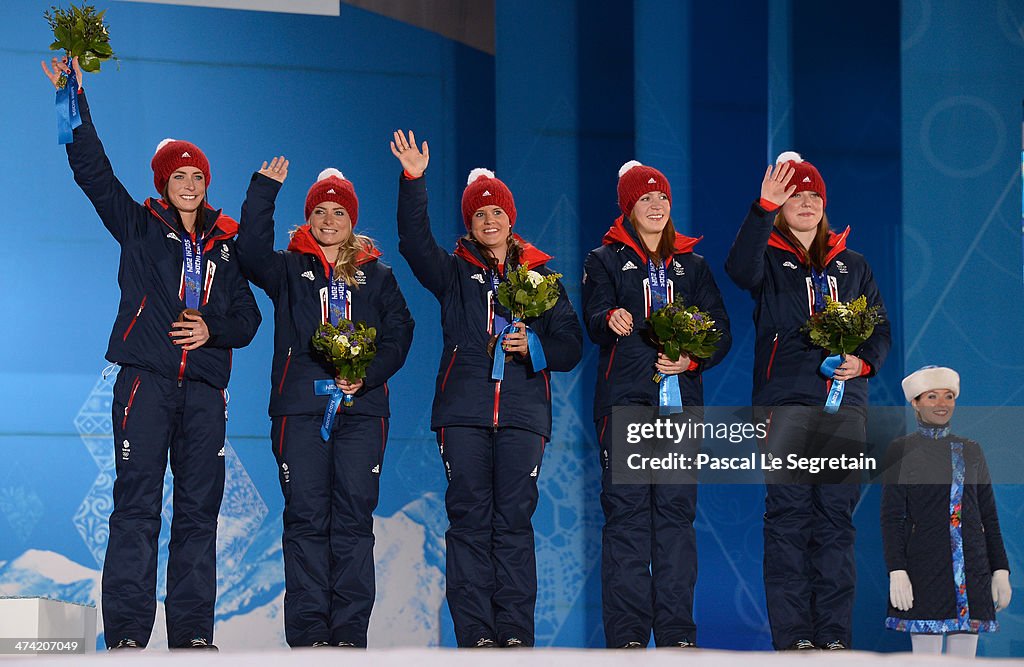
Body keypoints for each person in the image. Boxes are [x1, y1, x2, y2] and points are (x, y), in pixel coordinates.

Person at [42, 56, 261, 650]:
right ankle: (129, 639)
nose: (190, 183)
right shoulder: (139, 227)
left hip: (205, 394)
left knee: (198, 515)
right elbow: (91, 170)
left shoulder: (226, 246)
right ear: (162, 183)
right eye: (179, 175)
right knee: (136, 509)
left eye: (198, 175)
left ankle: (192, 638)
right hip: (146, 384)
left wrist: (211, 330)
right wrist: (71, 98)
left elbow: (249, 318)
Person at [391, 130, 582, 648]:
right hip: (464, 414)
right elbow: (412, 243)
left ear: (511, 219)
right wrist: (414, 180)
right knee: (470, 522)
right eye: (479, 214)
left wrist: (534, 345)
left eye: (497, 212)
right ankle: (475, 636)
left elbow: (571, 344)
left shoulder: (542, 278)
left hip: (523, 416)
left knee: (514, 525)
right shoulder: (453, 273)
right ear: (470, 225)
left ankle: (516, 636)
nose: (489, 220)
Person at [236, 158, 414, 648]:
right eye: (321, 211)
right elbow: (249, 253)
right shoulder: (289, 267)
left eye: (339, 211)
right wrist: (264, 192)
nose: (329, 220)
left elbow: (401, 333)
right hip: (299, 408)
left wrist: (368, 374)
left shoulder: (377, 275)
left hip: (363, 412)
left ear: (352, 220)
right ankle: (311, 635)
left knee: (354, 520)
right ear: (308, 218)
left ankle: (350, 635)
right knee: (307, 517)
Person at [725, 152, 891, 650]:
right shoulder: (769, 257)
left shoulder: (853, 263)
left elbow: (879, 328)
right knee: (790, 519)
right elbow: (738, 271)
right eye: (796, 197)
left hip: (845, 405)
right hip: (787, 402)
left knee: (835, 521)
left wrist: (863, 363)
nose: (806, 204)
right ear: (781, 206)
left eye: (814, 197)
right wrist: (761, 209)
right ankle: (795, 640)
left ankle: (834, 638)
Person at [582, 160, 732, 648]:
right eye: (645, 198)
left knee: (674, 517)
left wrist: (690, 359)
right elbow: (592, 317)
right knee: (626, 518)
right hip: (625, 402)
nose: (656, 205)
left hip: (679, 407)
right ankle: (627, 637)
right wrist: (611, 316)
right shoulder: (603, 260)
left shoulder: (694, 265)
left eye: (662, 198)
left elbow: (721, 333)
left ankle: (676, 636)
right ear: (628, 207)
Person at [881, 366, 1012, 656]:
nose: (942, 404)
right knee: (926, 660)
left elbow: (988, 515)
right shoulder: (901, 450)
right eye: (932, 396)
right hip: (926, 569)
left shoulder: (971, 450)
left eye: (948, 396)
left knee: (964, 660)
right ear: (915, 402)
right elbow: (892, 517)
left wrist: (1000, 569)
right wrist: (897, 570)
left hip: (973, 569)